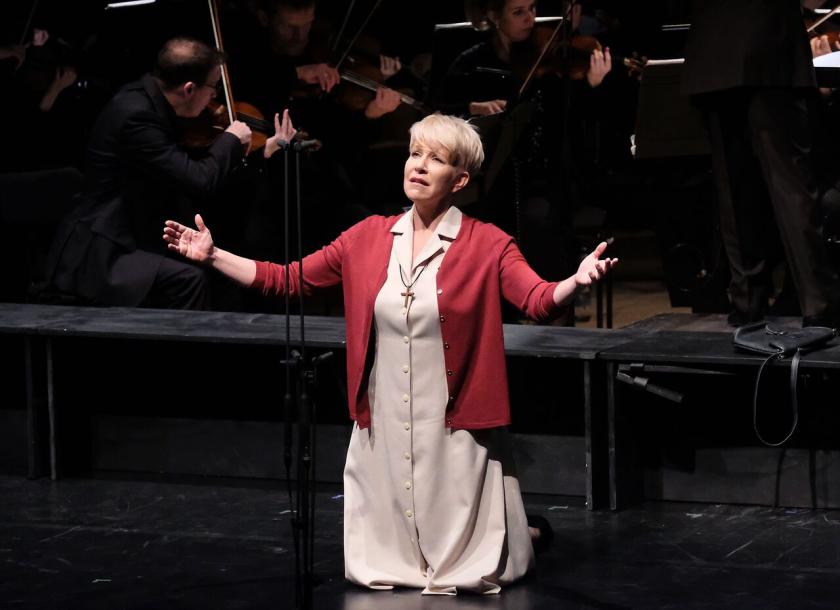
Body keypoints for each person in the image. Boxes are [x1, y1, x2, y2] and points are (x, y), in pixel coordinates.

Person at [162, 113, 616, 594]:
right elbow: (287, 278)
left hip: (452, 414)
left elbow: (537, 300)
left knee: (466, 553)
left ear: (460, 180)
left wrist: (574, 281)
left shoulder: (487, 243)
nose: (419, 165)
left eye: (436, 159)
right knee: (390, 553)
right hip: (385, 411)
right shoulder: (367, 237)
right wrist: (213, 256)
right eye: (415, 153)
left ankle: (516, 536)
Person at [44, 37, 293, 309]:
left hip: (141, 229)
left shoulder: (151, 100)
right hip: (105, 247)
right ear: (189, 89)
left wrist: (261, 153)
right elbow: (199, 179)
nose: (214, 97)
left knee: (224, 263)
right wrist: (231, 138)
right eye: (213, 87)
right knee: (190, 279)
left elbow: (196, 167)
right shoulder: (137, 116)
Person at [434, 0, 612, 292]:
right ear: (494, 16)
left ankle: (547, 296)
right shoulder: (473, 63)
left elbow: (579, 123)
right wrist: (472, 107)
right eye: (518, 12)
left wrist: (591, 86)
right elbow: (437, 112)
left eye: (532, 9)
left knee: (539, 217)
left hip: (546, 176)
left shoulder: (551, 60)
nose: (530, 19)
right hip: (489, 178)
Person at [682, 0, 840, 327]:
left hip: (713, 49)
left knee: (732, 187)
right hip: (769, 42)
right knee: (791, 184)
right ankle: (818, 302)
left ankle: (747, 300)